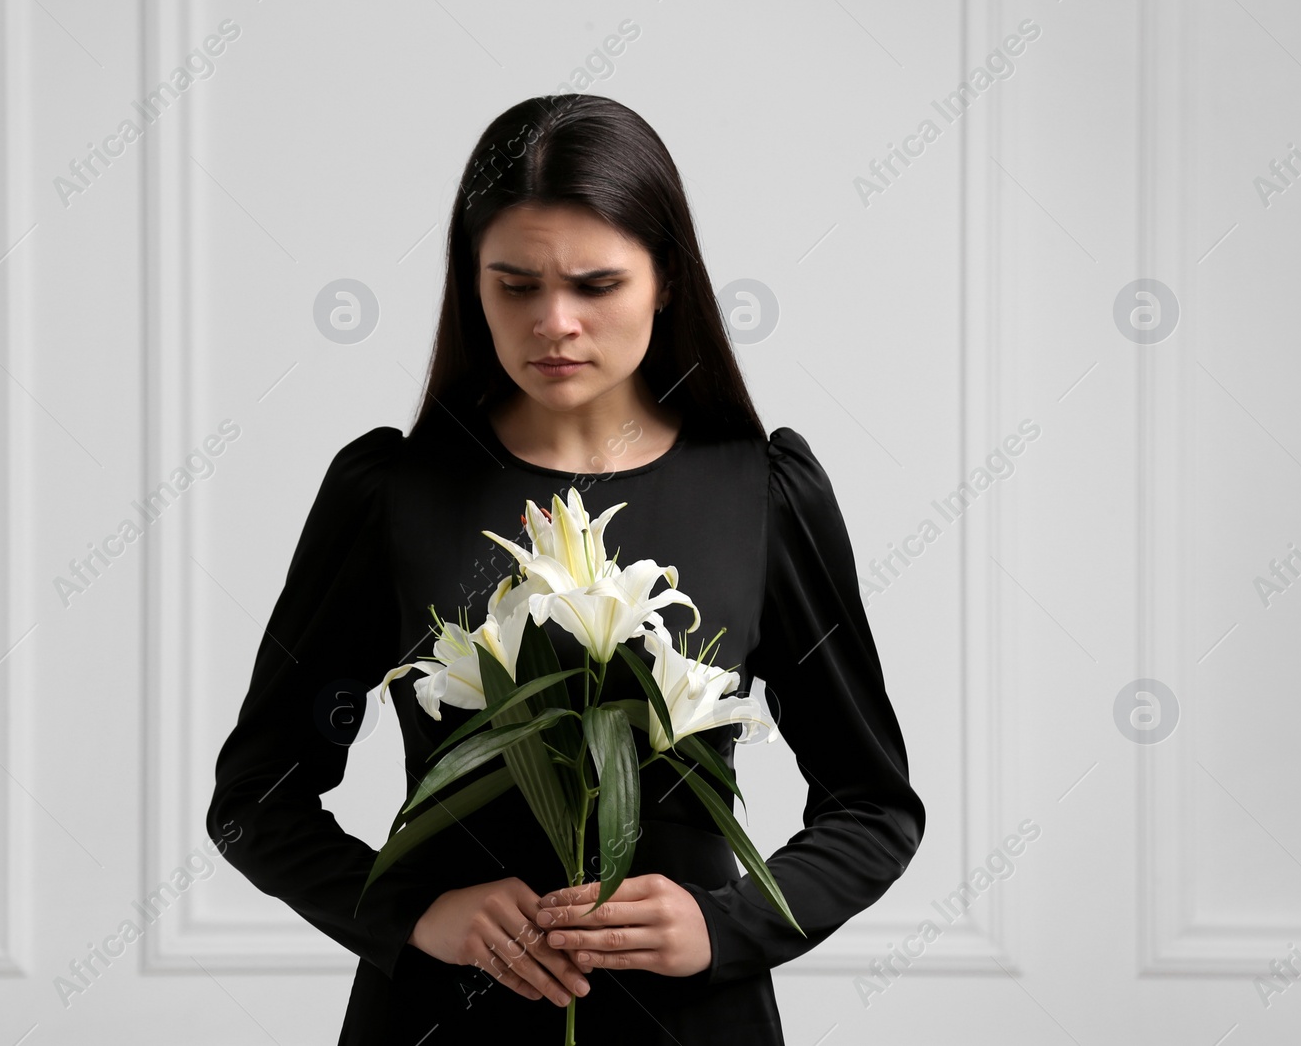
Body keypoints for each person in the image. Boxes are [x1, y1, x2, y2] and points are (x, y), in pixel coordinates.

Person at [205, 93, 926, 1045]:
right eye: (514, 285)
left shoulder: (761, 495)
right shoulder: (390, 494)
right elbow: (257, 800)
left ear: (666, 280)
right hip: (438, 1021)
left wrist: (726, 923)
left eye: (596, 284)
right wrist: (415, 914)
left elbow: (873, 804)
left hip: (694, 1022)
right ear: (470, 286)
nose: (555, 322)